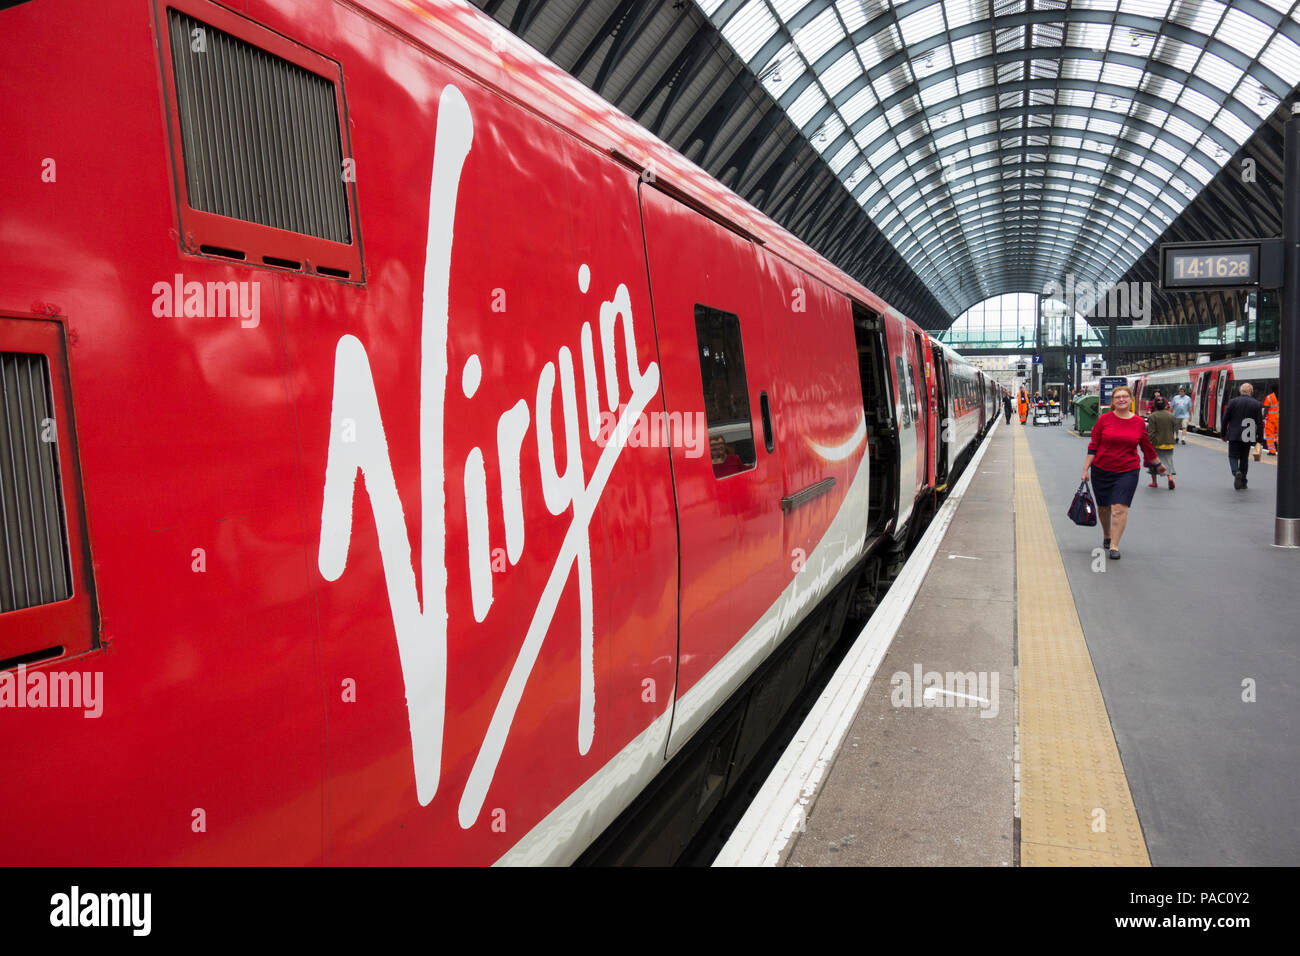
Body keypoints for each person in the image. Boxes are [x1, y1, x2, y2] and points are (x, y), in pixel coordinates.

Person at [1080, 384, 1164, 560]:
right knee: (1103, 508)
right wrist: (1085, 468)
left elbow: (1147, 447)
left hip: (1128, 470)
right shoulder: (1104, 420)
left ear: (1131, 399)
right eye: (1118, 397)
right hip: (1101, 469)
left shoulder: (1139, 423)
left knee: (1119, 507)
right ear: (1113, 401)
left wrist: (1157, 464)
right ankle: (1107, 535)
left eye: (1125, 396)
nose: (1121, 399)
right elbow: (1093, 445)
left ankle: (1114, 545)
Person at [1221, 382, 1265, 490]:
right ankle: (1243, 481)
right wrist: (1260, 439)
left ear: (1241, 391)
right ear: (1251, 392)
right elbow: (1260, 423)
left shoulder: (1233, 402)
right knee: (1244, 458)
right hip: (1248, 435)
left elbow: (1225, 419)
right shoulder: (1256, 404)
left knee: (1232, 456)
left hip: (1234, 434)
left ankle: (1236, 472)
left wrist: (1223, 434)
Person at [1145, 396, 1177, 490]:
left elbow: (1151, 432)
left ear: (1154, 405)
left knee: (1154, 463)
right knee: (1168, 461)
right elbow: (1174, 429)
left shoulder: (1152, 416)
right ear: (1165, 405)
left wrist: (1148, 443)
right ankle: (1170, 478)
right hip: (1169, 443)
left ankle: (1154, 482)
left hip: (1156, 443)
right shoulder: (1171, 415)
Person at [1263, 386, 1279, 455]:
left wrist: (1263, 417)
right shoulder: (1285, 395)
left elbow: (1266, 409)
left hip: (1271, 420)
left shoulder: (1269, 397)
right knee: (1278, 436)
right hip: (1279, 420)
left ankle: (1272, 451)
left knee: (1269, 436)